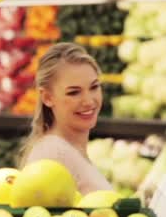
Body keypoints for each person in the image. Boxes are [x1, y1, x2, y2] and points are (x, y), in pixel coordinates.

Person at [18, 42, 114, 195]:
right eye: (74, 93)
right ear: (48, 97)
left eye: (94, 87)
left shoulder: (69, 149)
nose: (89, 101)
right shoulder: (52, 155)